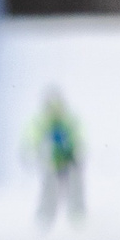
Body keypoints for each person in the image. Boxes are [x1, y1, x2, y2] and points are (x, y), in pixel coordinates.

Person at [30, 86, 84, 227]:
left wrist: (77, 151)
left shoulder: (67, 120)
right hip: (52, 162)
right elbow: (33, 138)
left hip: (67, 160)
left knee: (74, 185)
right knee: (49, 187)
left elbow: (78, 136)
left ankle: (76, 212)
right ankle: (46, 215)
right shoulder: (43, 122)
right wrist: (33, 151)